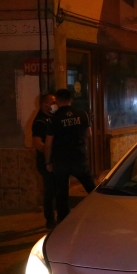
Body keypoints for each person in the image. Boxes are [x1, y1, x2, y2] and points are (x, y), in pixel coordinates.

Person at [44, 89, 96, 223]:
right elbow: (89, 134)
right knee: (91, 188)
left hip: (60, 161)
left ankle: (64, 222)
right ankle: (100, 212)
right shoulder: (83, 115)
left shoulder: (53, 119)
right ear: (71, 100)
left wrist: (48, 162)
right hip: (79, 158)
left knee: (62, 194)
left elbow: (48, 144)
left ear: (57, 101)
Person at [32, 93, 58, 229]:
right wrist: (49, 154)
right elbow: (37, 143)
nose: (55, 105)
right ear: (44, 104)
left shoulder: (53, 118)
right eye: (53, 102)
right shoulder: (40, 122)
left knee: (56, 189)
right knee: (50, 191)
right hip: (45, 162)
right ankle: (50, 219)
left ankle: (58, 217)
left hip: (54, 161)